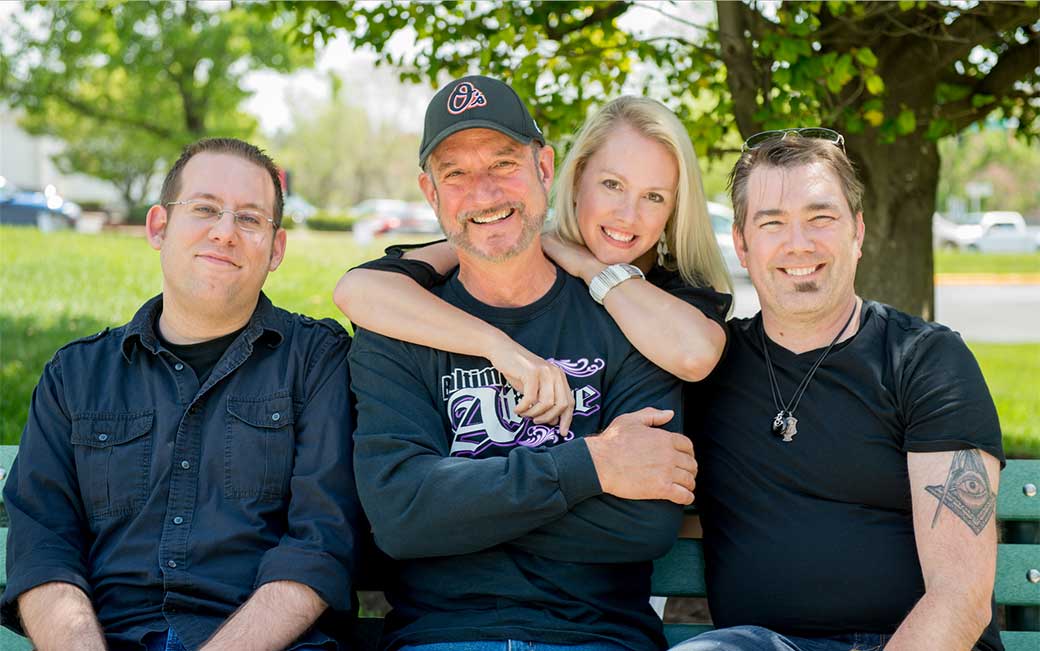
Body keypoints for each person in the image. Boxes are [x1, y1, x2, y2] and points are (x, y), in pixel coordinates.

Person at [347, 75, 699, 651]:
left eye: (504, 164)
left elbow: (646, 523)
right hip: (444, 638)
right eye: (456, 174)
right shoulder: (399, 325)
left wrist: (463, 506)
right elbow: (402, 516)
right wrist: (593, 465)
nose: (484, 193)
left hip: (599, 640)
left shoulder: (630, 319)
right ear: (430, 192)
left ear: (544, 167)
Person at [1, 138, 361, 651]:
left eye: (250, 218)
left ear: (276, 249)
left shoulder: (315, 362)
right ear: (159, 227)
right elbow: (43, 548)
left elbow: (320, 543)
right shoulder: (75, 375)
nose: (225, 232)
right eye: (205, 209)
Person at [676, 129, 1004, 651]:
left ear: (857, 231)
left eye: (820, 218)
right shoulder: (710, 366)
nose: (799, 243)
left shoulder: (925, 360)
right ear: (741, 244)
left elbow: (959, 597)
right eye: (772, 223)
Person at [335, 96, 733, 435]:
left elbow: (694, 355)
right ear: (576, 179)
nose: (627, 215)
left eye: (654, 197)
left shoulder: (681, 290)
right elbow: (358, 290)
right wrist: (495, 343)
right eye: (612, 185)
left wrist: (589, 267)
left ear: (674, 207)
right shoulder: (536, 253)